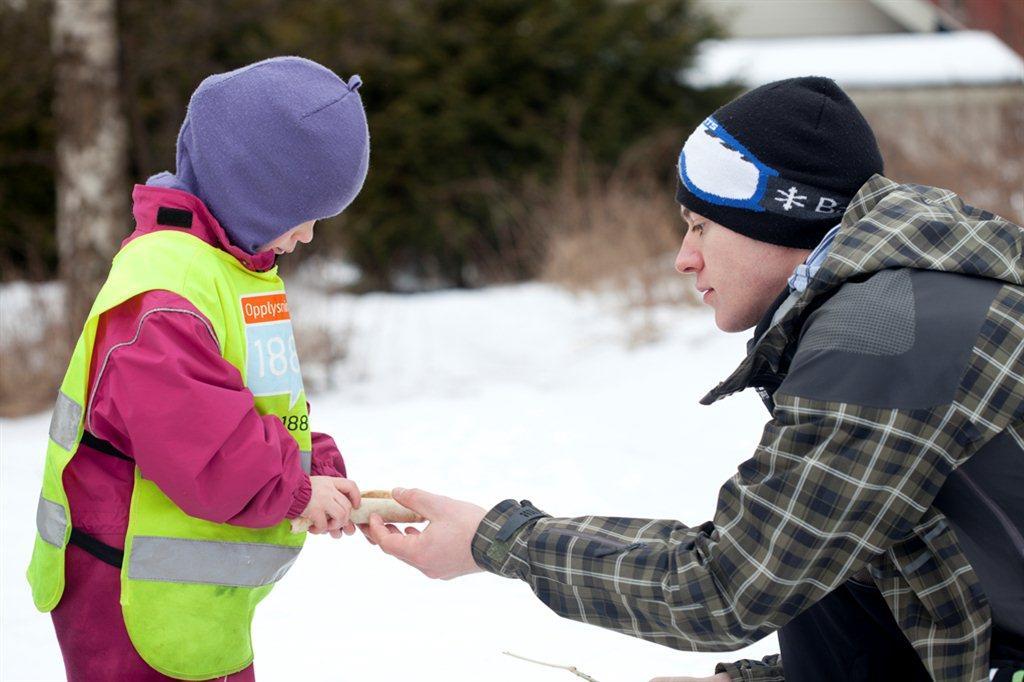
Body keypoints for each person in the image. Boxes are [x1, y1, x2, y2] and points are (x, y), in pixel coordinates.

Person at [365, 77, 1024, 682]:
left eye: (701, 226)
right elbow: (864, 595)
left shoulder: (885, 332)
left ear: (780, 216)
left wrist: (497, 542)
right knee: (822, 556)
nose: (685, 259)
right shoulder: (911, 298)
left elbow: (725, 588)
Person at [27, 56, 369, 681]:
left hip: (184, 594)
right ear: (255, 191)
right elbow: (200, 442)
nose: (309, 237)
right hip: (127, 591)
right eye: (304, 214)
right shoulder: (166, 290)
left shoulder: (233, 270)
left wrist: (313, 464)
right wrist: (292, 490)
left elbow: (256, 401)